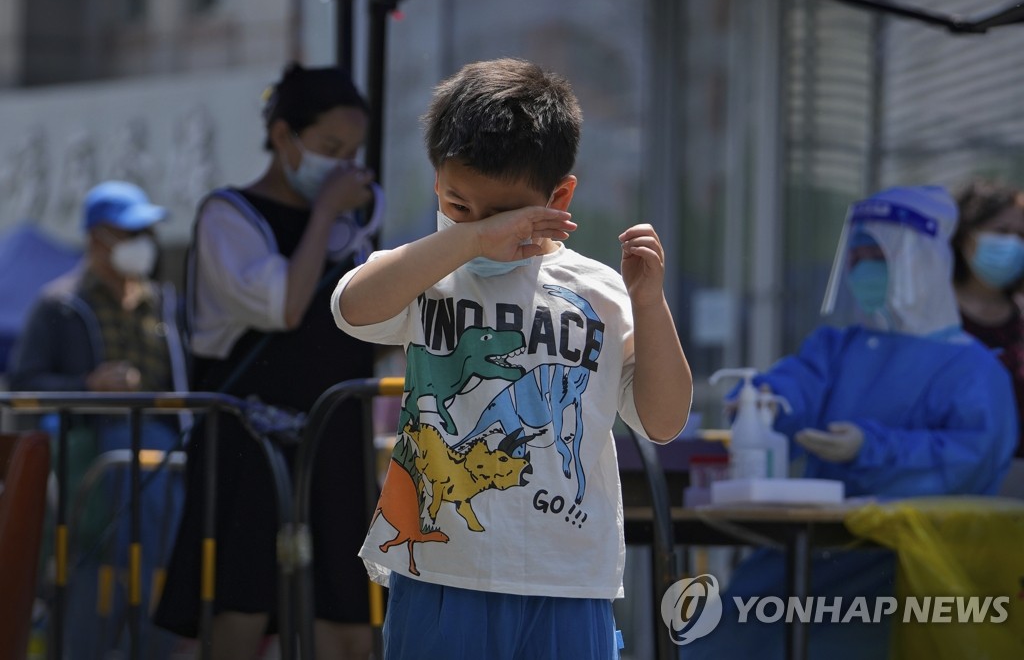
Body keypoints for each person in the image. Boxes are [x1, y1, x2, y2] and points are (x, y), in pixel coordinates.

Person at [331, 57, 693, 659]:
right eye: (457, 204)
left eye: (500, 214)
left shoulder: (597, 290)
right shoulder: (430, 270)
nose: (479, 227)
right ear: (436, 185)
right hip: (442, 571)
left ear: (560, 196)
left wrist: (650, 301)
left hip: (569, 579)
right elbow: (353, 309)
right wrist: (467, 239)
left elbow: (662, 420)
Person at [688, 185, 1018, 659]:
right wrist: (764, 401)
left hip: (905, 568)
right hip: (803, 554)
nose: (864, 271)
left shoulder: (976, 373)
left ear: (920, 262)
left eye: (878, 257)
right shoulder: (839, 347)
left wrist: (870, 446)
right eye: (858, 257)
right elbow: (795, 386)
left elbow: (968, 462)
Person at [153, 63, 383, 660]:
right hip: (246, 440)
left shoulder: (352, 229)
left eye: (351, 152)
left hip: (333, 440)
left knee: (348, 617)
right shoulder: (228, 215)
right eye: (330, 148)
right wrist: (328, 212)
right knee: (239, 611)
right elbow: (283, 305)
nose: (341, 164)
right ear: (285, 137)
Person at [7, 179, 189, 659]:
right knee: (92, 582)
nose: (141, 243)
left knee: (165, 575)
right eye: (129, 232)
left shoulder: (167, 305)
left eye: (146, 232)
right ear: (95, 239)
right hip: (91, 465)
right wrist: (87, 386)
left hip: (168, 459)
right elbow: (25, 385)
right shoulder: (58, 304)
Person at [950, 178, 1024, 495]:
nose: (1013, 244)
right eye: (1001, 231)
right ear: (966, 236)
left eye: (1021, 235)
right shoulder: (932, 316)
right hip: (949, 483)